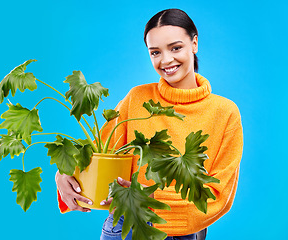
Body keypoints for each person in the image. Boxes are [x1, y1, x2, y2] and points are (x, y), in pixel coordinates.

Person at [55, 8, 243, 240]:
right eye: (155, 52)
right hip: (127, 226)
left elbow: (218, 195)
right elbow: (97, 153)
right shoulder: (137, 99)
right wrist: (63, 175)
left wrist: (150, 198)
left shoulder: (225, 113)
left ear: (194, 43)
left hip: (187, 232)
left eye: (176, 48)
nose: (166, 60)